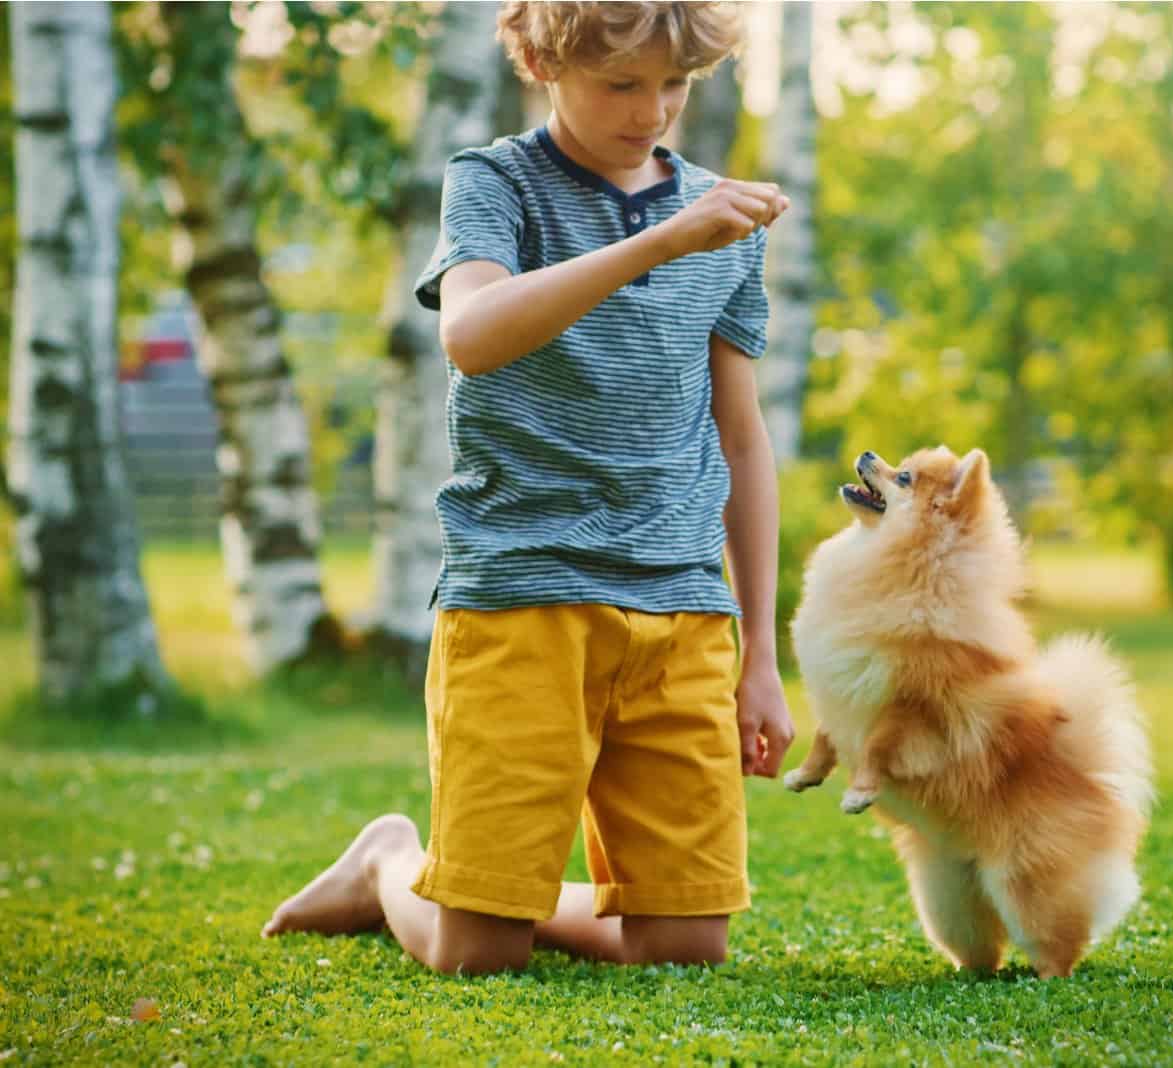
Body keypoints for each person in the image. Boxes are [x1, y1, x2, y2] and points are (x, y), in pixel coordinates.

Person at [262, 0, 794, 975]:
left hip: (680, 611)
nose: (653, 111)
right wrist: (659, 244)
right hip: (520, 598)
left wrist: (761, 653)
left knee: (683, 946)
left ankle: (479, 892)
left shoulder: (723, 214)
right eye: (621, 84)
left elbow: (743, 441)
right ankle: (390, 863)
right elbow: (471, 332)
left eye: (673, 83)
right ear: (546, 62)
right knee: (475, 954)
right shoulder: (492, 182)